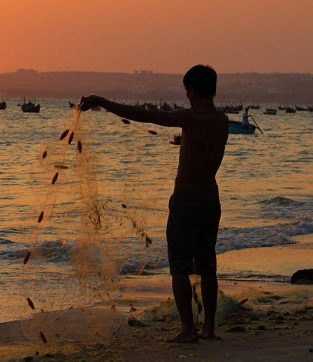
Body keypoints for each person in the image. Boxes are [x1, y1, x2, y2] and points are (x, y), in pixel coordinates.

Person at [80, 64, 229, 343]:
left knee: (179, 267)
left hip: (186, 200)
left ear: (192, 90)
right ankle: (209, 327)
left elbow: (143, 114)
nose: (186, 96)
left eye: (187, 91)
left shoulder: (190, 118)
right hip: (211, 197)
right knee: (208, 266)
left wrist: (101, 101)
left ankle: (188, 329)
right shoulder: (222, 120)